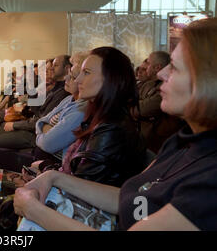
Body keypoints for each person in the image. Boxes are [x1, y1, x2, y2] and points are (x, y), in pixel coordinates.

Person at [14, 18, 217, 231]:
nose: (161, 74)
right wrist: (54, 176)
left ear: (207, 82)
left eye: (174, 68)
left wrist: (33, 210)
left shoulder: (208, 182)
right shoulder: (182, 142)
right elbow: (133, 199)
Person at [0, 47, 145, 230]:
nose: (77, 79)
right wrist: (45, 168)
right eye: (78, 72)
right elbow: (43, 124)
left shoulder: (109, 128)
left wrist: (43, 172)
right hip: (48, 173)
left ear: (111, 79)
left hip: (55, 195)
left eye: (86, 73)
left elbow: (78, 192)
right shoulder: (102, 116)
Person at [0, 55, 70, 156]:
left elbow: (40, 120)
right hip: (32, 125)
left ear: (67, 69)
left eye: (54, 66)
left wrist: (15, 125)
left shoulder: (62, 92)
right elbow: (36, 110)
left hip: (34, 134)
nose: (49, 71)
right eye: (46, 69)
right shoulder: (54, 88)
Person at [133, 51, 184, 153]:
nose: (163, 74)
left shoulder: (164, 87)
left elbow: (142, 110)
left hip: (156, 143)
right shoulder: (146, 84)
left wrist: (136, 107)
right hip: (142, 138)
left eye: (175, 68)